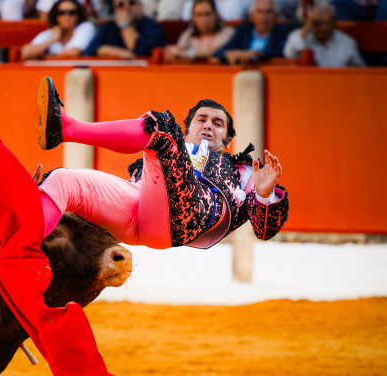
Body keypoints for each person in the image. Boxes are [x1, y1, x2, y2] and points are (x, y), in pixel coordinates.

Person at [35, 76, 288, 249]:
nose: (209, 125)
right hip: (137, 211)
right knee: (62, 180)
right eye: (202, 120)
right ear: (188, 130)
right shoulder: (169, 155)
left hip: (185, 221)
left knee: (162, 128)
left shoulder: (241, 172)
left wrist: (264, 195)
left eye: (218, 123)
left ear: (229, 139)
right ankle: (23, 237)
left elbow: (264, 230)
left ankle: (67, 129)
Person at [284, 2, 366, 66]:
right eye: (319, 23)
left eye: (328, 23)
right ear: (312, 23)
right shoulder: (303, 38)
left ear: (334, 22)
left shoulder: (347, 42)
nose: (324, 28)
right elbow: (288, 53)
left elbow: (361, 71)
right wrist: (307, 26)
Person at [215, 0, 293, 65]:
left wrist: (256, 55)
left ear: (276, 16)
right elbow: (219, 52)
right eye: (260, 12)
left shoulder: (284, 32)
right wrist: (227, 54)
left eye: (268, 12)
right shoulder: (243, 30)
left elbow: (281, 52)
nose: (264, 16)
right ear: (251, 16)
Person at [84, 0, 166, 59]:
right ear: (116, 9)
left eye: (131, 2)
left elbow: (141, 51)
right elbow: (92, 49)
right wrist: (119, 53)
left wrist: (125, 26)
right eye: (121, 4)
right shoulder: (110, 26)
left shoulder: (153, 27)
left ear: (140, 4)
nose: (126, 8)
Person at [20, 0, 95, 60]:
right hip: (51, 74)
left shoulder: (85, 27)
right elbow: (26, 52)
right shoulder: (51, 33)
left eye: (72, 13)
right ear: (56, 16)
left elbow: (74, 53)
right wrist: (53, 39)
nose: (67, 16)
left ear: (78, 15)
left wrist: (46, 58)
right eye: (61, 13)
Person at [163, 0, 234, 61]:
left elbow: (215, 52)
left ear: (216, 14)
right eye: (199, 15)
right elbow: (178, 53)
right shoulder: (188, 35)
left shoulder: (229, 33)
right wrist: (173, 51)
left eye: (207, 14)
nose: (204, 19)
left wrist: (187, 54)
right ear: (193, 17)